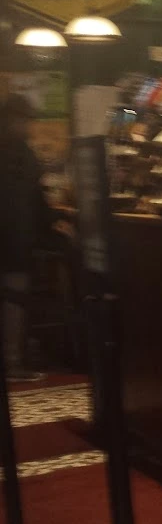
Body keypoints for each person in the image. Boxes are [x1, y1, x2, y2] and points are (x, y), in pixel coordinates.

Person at [1, 93, 57, 378]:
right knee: (14, 305)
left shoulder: (25, 154)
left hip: (17, 240)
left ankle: (12, 362)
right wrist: (51, 226)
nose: (27, 126)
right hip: (15, 242)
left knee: (14, 304)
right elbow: (35, 199)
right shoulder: (23, 155)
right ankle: (12, 363)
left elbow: (34, 198)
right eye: (24, 120)